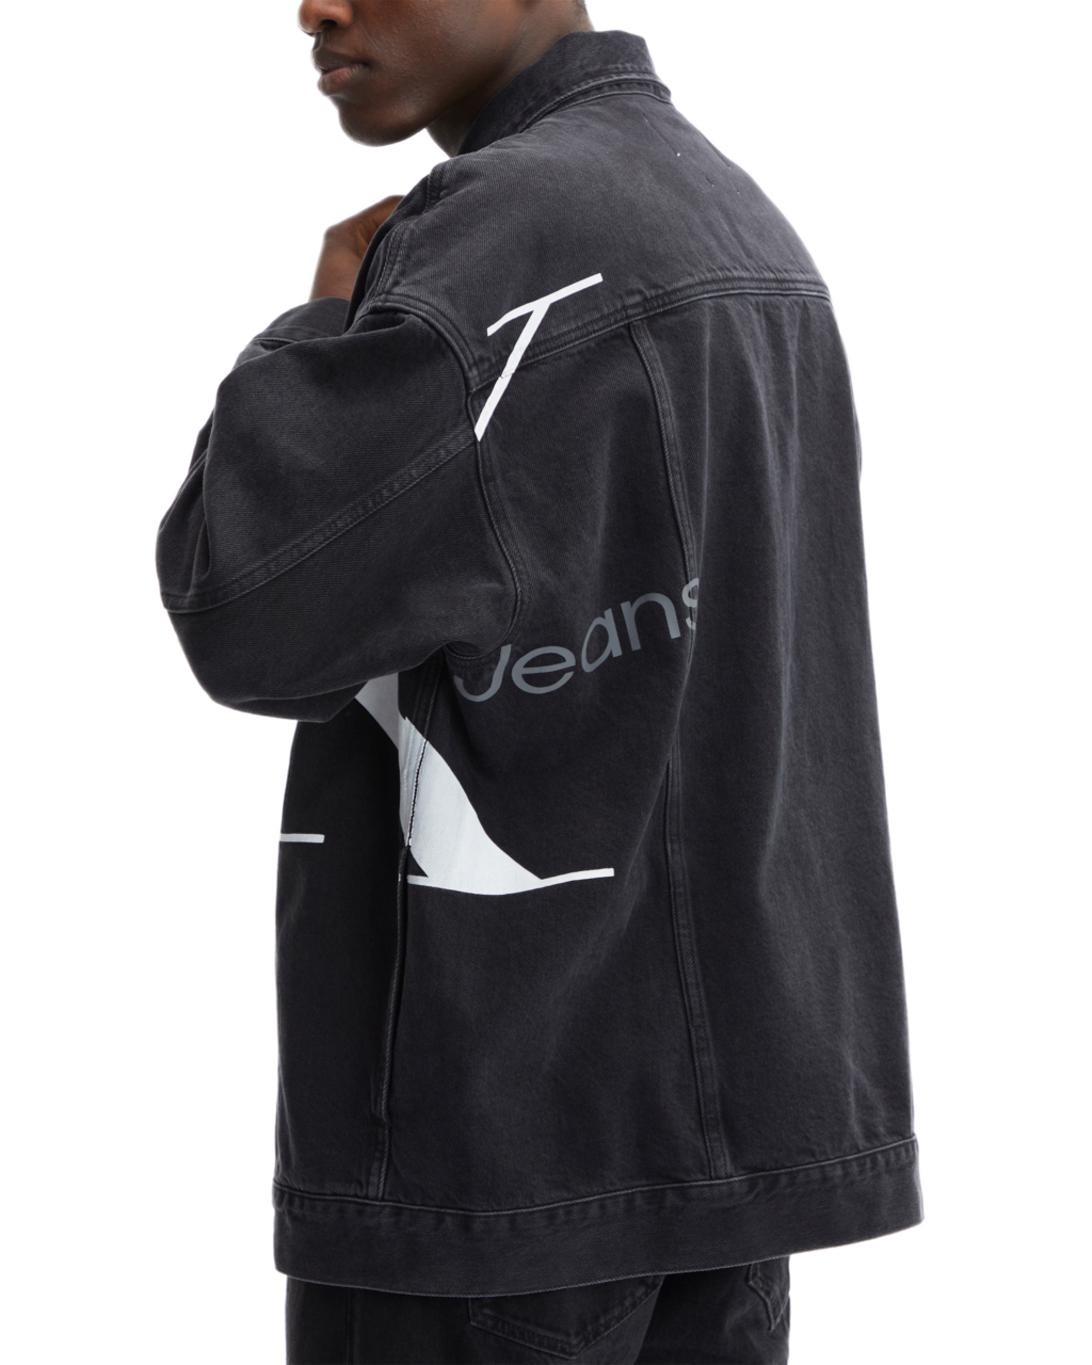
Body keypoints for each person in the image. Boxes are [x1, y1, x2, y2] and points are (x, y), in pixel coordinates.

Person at [154, 2, 923, 1361]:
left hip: (499, 1170)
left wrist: (320, 322)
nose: (313, 5)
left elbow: (247, 607)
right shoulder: (738, 221)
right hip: (715, 1163)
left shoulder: (501, 243)